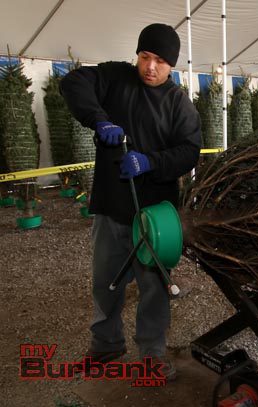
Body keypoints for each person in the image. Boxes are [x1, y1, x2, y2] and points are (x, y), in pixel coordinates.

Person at [60, 23, 201, 381]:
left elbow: (189, 151)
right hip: (111, 207)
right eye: (145, 56)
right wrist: (99, 120)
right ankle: (106, 343)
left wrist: (150, 162)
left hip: (154, 218)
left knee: (153, 288)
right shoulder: (115, 78)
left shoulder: (178, 103)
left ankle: (152, 354)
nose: (150, 67)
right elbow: (72, 82)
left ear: (172, 65)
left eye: (160, 61)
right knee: (105, 281)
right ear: (137, 55)